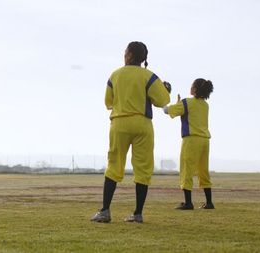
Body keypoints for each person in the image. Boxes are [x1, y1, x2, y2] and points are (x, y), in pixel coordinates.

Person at [90, 41, 170, 223]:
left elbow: (108, 102)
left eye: (125, 52)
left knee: (114, 164)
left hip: (119, 122)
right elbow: (162, 100)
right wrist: (166, 89)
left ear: (129, 55)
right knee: (142, 168)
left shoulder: (115, 75)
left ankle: (105, 211)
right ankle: (137, 213)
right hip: (142, 124)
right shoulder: (149, 76)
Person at [163, 78, 214, 210]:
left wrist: (166, 102)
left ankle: (188, 202)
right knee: (203, 170)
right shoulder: (205, 105)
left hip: (191, 140)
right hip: (205, 140)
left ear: (195, 89)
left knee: (187, 169)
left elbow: (167, 110)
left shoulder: (187, 102)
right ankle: (209, 202)